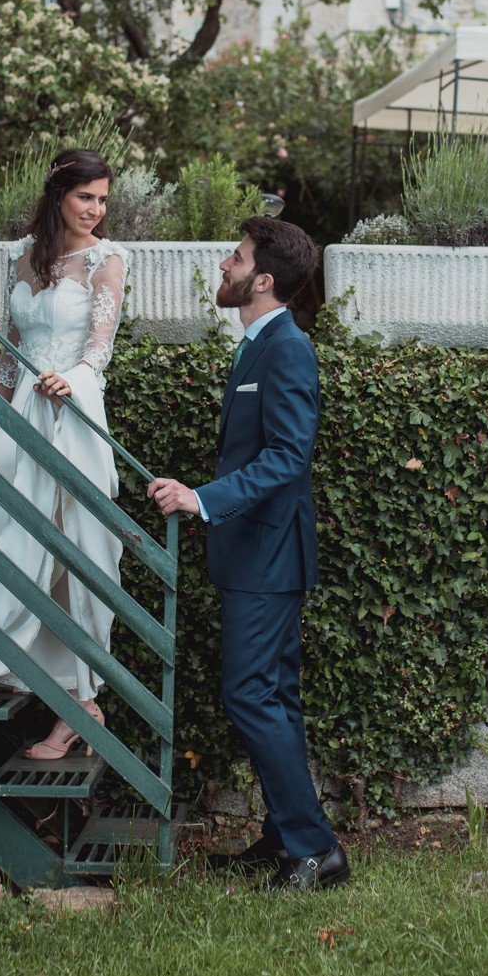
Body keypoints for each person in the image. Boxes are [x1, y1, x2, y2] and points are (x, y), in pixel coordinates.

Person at [148, 217, 348, 892]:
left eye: (235, 258)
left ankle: (316, 849)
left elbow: (288, 457)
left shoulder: (287, 349)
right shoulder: (256, 343)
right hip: (256, 557)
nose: (224, 264)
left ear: (262, 279)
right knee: (275, 697)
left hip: (269, 557)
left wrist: (200, 498)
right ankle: (287, 838)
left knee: (250, 694)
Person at [0, 149, 126, 761]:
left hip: (71, 412)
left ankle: (79, 707)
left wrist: (74, 380)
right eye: (86, 196)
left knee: (71, 557)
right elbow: (8, 361)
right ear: (58, 193)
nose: (95, 210)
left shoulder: (107, 259)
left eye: (102, 199)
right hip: (19, 420)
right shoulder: (21, 258)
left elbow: (100, 348)